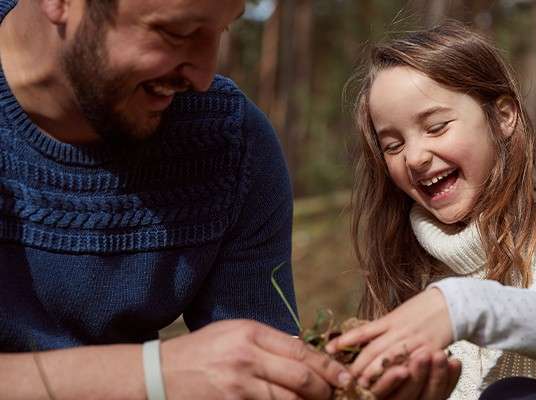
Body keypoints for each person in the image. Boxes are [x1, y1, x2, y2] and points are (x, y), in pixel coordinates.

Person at [0, 0, 457, 398]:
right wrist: (150, 377)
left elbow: (255, 375)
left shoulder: (229, 145)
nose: (202, 77)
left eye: (220, 31)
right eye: (176, 32)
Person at [327, 22, 536, 399]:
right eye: (393, 146)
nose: (414, 157)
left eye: (436, 127)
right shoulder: (408, 271)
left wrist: (460, 307)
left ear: (503, 116)